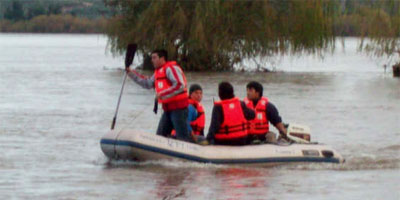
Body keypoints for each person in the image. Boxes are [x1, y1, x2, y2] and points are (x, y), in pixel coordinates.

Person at [125, 49, 191, 142]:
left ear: (162, 58)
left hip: (179, 109)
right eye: (152, 58)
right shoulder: (157, 72)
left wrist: (162, 94)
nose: (152, 60)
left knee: (182, 138)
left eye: (154, 58)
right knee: (159, 137)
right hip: (167, 110)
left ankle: (187, 152)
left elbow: (180, 85)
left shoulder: (171, 68)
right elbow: (147, 83)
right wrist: (131, 73)